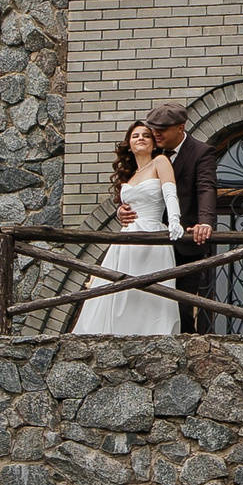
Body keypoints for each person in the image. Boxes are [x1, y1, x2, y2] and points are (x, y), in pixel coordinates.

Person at [72, 121, 183, 336]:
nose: (140, 138)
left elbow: (169, 192)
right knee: (119, 290)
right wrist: (119, 212)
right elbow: (130, 203)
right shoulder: (130, 176)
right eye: (135, 136)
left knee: (151, 290)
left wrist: (175, 220)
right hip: (127, 239)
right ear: (129, 146)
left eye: (146, 135)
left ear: (153, 143)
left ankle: (152, 333)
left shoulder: (160, 162)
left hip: (151, 235)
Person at [115, 102, 218, 329]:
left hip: (184, 244)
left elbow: (206, 188)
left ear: (180, 128)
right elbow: (134, 187)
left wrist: (205, 223)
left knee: (179, 307)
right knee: (137, 300)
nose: (155, 133)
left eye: (161, 129)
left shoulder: (201, 152)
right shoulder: (150, 151)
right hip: (146, 245)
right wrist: (121, 210)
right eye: (153, 128)